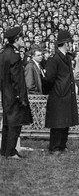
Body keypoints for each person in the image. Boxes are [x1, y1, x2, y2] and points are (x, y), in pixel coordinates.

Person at [43, 30, 79, 155]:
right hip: (58, 95)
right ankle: (54, 147)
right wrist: (53, 90)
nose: (71, 45)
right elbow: (49, 78)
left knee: (65, 121)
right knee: (57, 123)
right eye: (69, 42)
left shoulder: (67, 57)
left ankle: (62, 145)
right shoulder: (54, 58)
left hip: (66, 94)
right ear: (65, 43)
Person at [0, 27, 33, 159]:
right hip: (15, 95)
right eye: (21, 38)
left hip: (6, 93)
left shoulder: (3, 53)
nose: (23, 41)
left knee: (7, 123)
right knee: (15, 124)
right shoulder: (14, 56)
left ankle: (5, 150)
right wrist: (21, 97)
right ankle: (11, 151)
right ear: (16, 40)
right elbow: (17, 79)